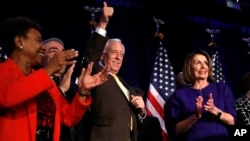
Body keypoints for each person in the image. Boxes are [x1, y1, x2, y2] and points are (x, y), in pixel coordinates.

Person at [0, 16, 109, 141]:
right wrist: (49, 70)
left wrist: (83, 92)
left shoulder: (45, 81)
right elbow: (6, 97)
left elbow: (67, 117)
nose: (43, 47)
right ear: (19, 42)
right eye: (38, 40)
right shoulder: (3, 70)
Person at [78, 2, 147, 141]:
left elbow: (135, 121)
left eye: (121, 54)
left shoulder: (126, 86)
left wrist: (142, 111)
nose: (118, 57)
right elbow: (90, 57)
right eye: (114, 52)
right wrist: (103, 23)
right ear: (103, 56)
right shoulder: (97, 73)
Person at [164, 49, 236, 141]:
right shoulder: (179, 96)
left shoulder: (222, 88)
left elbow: (232, 121)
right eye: (198, 63)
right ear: (189, 68)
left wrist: (216, 111)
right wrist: (195, 116)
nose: (203, 66)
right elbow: (175, 130)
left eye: (206, 63)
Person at [42, 37, 78, 141]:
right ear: (42, 56)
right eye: (53, 51)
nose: (59, 56)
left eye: (63, 52)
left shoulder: (75, 89)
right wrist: (61, 90)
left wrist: (83, 92)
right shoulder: (33, 84)